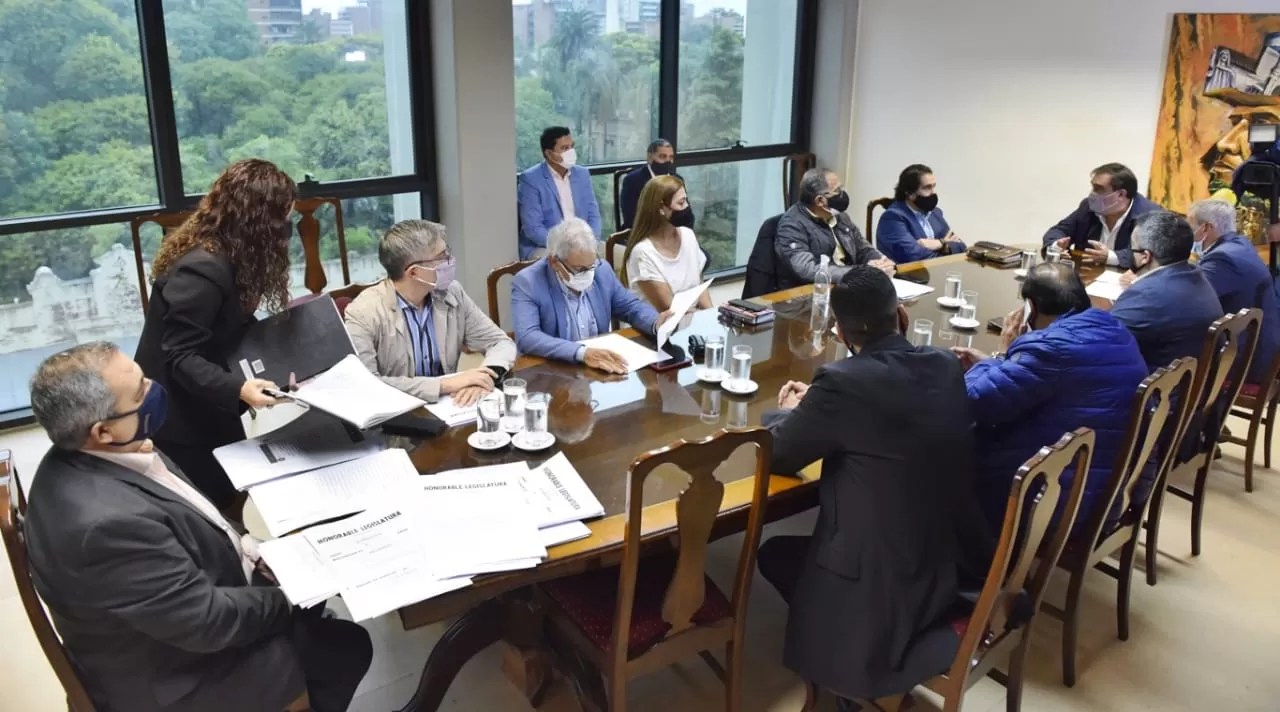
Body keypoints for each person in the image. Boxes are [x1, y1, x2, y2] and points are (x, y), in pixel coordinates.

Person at [24, 343, 372, 712]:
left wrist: (254, 550)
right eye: (141, 391)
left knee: (325, 617)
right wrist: (292, 593)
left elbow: (195, 519)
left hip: (167, 626)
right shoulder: (105, 527)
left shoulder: (99, 449)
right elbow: (210, 623)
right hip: (181, 680)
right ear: (102, 431)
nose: (154, 389)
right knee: (346, 648)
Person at [755, 266, 989, 705]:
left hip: (878, 584)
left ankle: (847, 663)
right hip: (943, 560)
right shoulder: (943, 365)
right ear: (900, 314)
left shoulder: (843, 382)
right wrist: (821, 406)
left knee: (772, 554)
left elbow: (781, 453)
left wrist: (789, 411)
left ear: (839, 333)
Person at [134, 158, 296, 512]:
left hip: (206, 394)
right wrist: (239, 389)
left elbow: (228, 323)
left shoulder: (236, 251)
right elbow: (180, 356)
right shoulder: (202, 269)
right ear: (260, 219)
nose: (288, 226)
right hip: (179, 415)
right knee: (216, 506)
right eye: (284, 217)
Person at [953, 263, 1149, 535]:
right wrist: (1004, 366)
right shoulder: (1113, 326)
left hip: (1052, 500)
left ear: (1030, 308)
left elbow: (972, 401)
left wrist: (1002, 355)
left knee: (942, 445)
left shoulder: (1049, 349)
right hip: (1103, 487)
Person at [344, 219, 516, 406]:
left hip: (449, 408)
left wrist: (486, 377)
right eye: (442, 256)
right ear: (414, 273)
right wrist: (442, 385)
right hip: (396, 415)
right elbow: (366, 384)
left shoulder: (452, 292)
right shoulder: (363, 312)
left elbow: (499, 341)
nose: (449, 260)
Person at [511, 217, 670, 374]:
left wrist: (656, 323)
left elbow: (631, 307)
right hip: (555, 372)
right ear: (554, 262)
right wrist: (581, 352)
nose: (588, 275)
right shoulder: (528, 282)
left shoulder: (601, 270)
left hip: (599, 370)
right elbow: (528, 337)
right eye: (580, 269)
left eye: (591, 266)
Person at [1111, 212, 1223, 373]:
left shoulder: (1147, 296)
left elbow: (1102, 342)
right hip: (1188, 383)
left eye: (1132, 248)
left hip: (1158, 392)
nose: (1130, 253)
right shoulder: (1194, 273)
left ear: (1145, 256)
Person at [1189, 198, 1280, 383]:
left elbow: (1187, 297)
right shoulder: (1239, 244)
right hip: (1254, 345)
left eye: (1190, 226)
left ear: (1205, 228)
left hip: (1244, 359)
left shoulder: (1223, 258)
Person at [774, 167, 896, 290]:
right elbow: (807, 270)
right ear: (820, 200)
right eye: (837, 190)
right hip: (812, 294)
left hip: (850, 285)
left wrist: (881, 262)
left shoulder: (840, 216)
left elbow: (862, 248)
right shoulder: (791, 225)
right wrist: (861, 272)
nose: (842, 194)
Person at [1042, 162, 1162, 269]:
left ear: (1121, 194)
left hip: (1127, 283)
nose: (1092, 194)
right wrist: (1056, 246)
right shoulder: (1088, 207)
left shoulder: (1150, 216)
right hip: (1088, 277)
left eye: (1098, 189)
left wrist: (1110, 257)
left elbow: (1150, 254)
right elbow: (1059, 230)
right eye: (1093, 187)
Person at [621, 175, 712, 311]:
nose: (687, 207)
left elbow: (699, 286)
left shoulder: (688, 235)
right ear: (661, 208)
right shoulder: (643, 253)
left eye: (686, 201)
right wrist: (701, 319)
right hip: (662, 326)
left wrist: (713, 315)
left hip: (692, 321)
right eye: (681, 203)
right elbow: (669, 307)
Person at [518, 126, 602, 259]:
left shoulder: (582, 174)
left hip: (583, 241)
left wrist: (591, 241)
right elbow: (533, 228)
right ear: (549, 154)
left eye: (571, 146)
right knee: (568, 264)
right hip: (546, 246)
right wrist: (564, 248)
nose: (571, 152)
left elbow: (594, 215)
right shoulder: (531, 179)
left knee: (618, 254)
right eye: (564, 148)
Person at [875, 164, 967, 263]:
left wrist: (941, 245)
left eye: (933, 187)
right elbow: (915, 257)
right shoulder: (892, 218)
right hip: (906, 276)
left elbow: (961, 246)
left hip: (937, 271)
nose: (933, 193)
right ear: (909, 193)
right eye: (927, 188)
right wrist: (943, 243)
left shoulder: (935, 213)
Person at [619, 139, 695, 231]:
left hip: (676, 234)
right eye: (662, 156)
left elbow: (688, 216)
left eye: (671, 157)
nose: (668, 161)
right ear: (650, 157)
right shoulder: (632, 181)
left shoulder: (677, 180)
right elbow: (631, 219)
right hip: (645, 235)